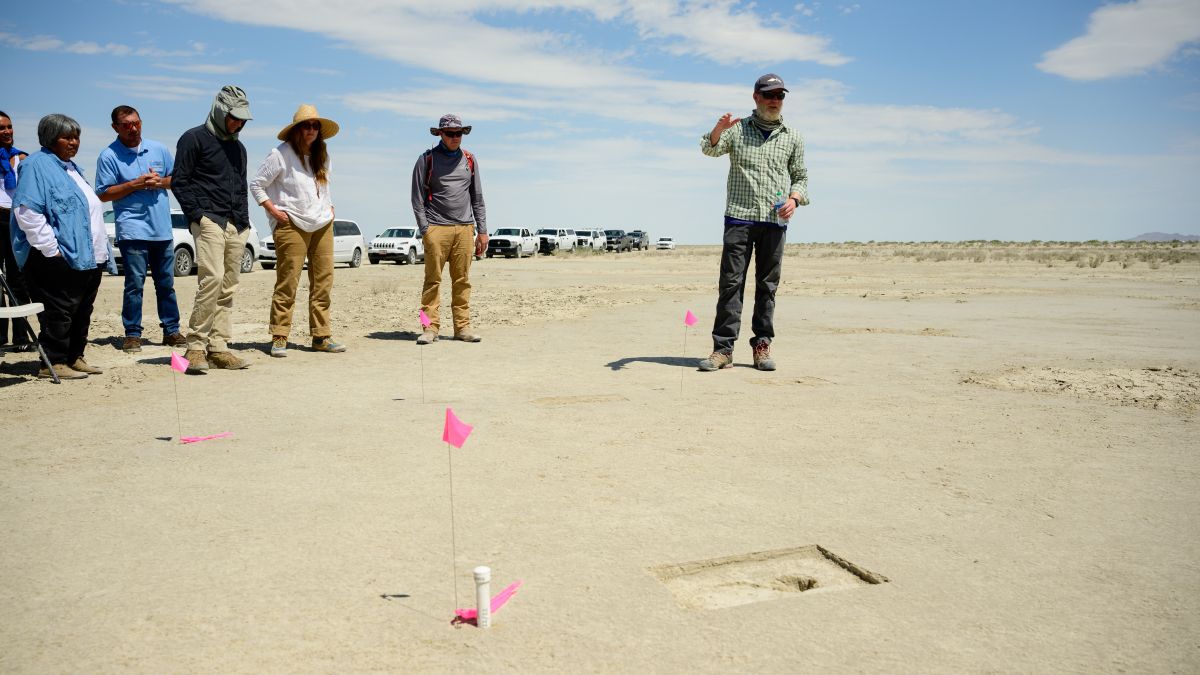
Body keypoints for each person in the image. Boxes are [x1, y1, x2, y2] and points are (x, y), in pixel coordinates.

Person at [698, 73, 808, 372]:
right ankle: (722, 350)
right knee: (731, 284)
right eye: (769, 95)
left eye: (780, 96)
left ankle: (762, 345)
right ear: (756, 97)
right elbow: (709, 149)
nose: (775, 101)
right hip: (739, 218)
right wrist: (719, 129)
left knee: (767, 286)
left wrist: (794, 199)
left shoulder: (792, 137)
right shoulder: (738, 130)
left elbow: (801, 176)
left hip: (774, 221)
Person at [10, 114, 110, 380]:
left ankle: (74, 356)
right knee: (59, 311)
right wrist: (51, 250)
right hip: (57, 257)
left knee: (81, 311)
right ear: (50, 138)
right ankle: (52, 362)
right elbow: (27, 211)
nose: (73, 142)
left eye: (76, 137)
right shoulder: (36, 165)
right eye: (67, 137)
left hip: (88, 256)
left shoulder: (72, 168)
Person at [250, 104, 346, 358]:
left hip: (323, 223)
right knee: (288, 281)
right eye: (307, 125)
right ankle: (280, 336)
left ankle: (321, 336)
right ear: (296, 130)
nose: (311, 130)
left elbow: (324, 187)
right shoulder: (280, 154)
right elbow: (257, 185)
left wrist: (330, 206)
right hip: (291, 223)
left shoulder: (322, 155)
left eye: (315, 126)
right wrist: (273, 211)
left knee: (323, 282)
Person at [173, 85, 254, 373]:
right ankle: (195, 347)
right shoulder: (193, 138)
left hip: (236, 223)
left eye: (243, 119)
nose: (239, 123)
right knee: (212, 279)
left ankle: (219, 347)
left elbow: (241, 185)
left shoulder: (239, 147)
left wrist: (243, 222)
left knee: (229, 285)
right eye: (234, 117)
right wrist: (198, 216)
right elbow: (179, 181)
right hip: (209, 220)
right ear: (220, 111)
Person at [95, 105, 185, 354]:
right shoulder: (109, 156)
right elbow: (103, 193)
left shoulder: (159, 149)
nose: (133, 128)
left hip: (161, 228)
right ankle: (133, 334)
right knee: (134, 283)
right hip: (132, 229)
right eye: (126, 125)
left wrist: (160, 182)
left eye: (136, 123)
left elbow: (177, 179)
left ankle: (171, 330)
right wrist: (134, 184)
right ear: (115, 127)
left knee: (166, 283)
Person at [410, 113, 488, 344]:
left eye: (459, 133)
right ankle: (428, 328)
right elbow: (417, 199)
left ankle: (462, 328)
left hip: (464, 229)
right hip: (436, 228)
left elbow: (478, 197)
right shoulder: (426, 159)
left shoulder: (470, 160)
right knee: (431, 281)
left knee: (462, 280)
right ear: (440, 134)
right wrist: (426, 230)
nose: (456, 138)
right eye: (451, 134)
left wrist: (482, 230)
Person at [0, 110, 34, 352]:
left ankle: (21, 337)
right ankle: (0, 337)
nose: (7, 132)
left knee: (18, 278)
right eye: (1, 128)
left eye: (9, 127)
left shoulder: (23, 158)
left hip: (16, 221)